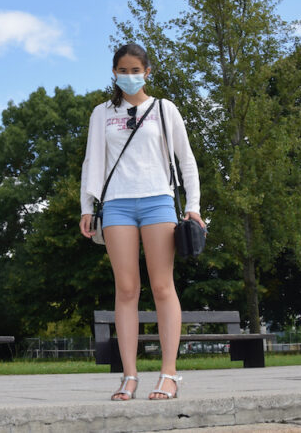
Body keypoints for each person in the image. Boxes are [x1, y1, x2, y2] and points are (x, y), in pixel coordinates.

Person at [79, 43, 204, 401]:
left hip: (157, 201)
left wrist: (193, 206)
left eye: (136, 70)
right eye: (123, 70)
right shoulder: (102, 113)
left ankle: (169, 374)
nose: (129, 76)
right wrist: (87, 206)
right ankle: (129, 376)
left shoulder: (164, 109)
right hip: (116, 204)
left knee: (163, 287)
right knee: (126, 289)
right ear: (114, 73)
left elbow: (187, 160)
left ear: (147, 72)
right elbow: (92, 160)